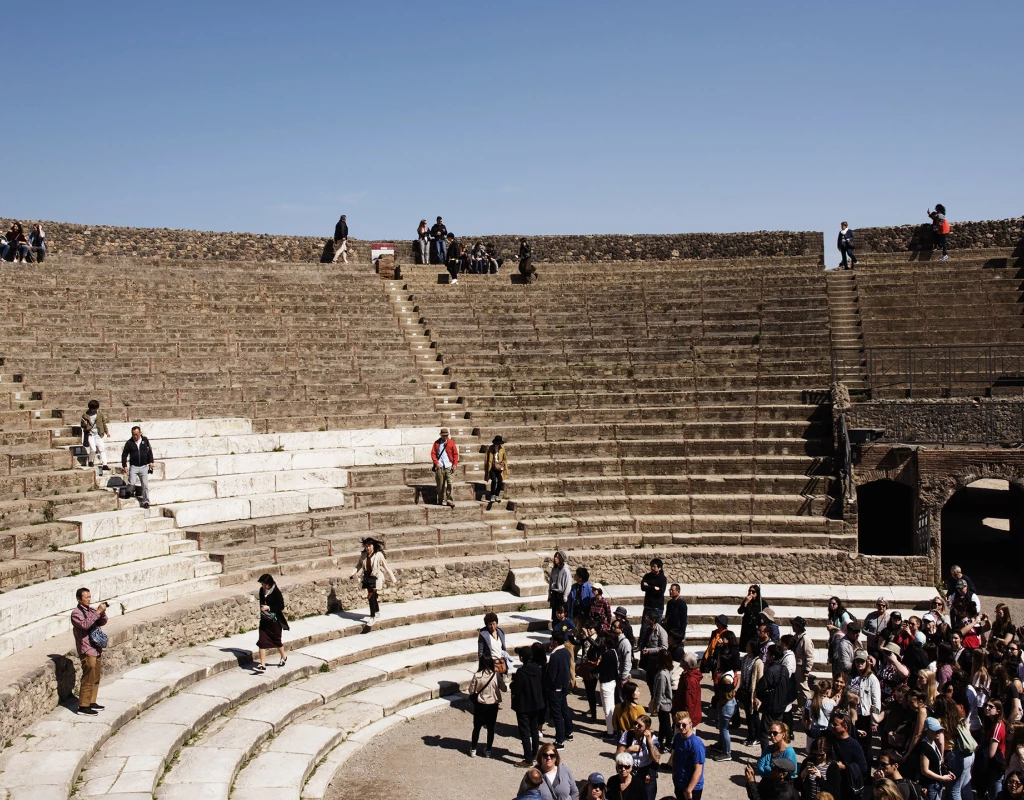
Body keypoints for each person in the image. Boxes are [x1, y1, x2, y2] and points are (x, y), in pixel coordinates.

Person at [71, 587, 107, 715]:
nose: (88, 599)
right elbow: (85, 625)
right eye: (86, 597)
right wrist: (97, 612)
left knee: (95, 676)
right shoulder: (76, 613)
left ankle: (91, 701)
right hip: (86, 648)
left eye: (89, 597)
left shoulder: (91, 610)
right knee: (88, 676)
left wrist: (102, 613)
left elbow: (102, 622)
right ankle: (83, 706)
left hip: (96, 648)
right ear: (79, 599)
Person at [511, 646, 546, 766]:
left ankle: (528, 759)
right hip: (536, 704)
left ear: (521, 658)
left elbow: (517, 689)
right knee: (534, 729)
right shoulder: (537, 668)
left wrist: (512, 685)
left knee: (525, 732)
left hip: (524, 705)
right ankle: (535, 753)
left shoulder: (521, 672)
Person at [348, 536, 396, 624]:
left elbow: (387, 567)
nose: (368, 548)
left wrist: (393, 578)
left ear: (373, 546)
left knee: (371, 596)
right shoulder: (363, 555)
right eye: (366, 546)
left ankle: (372, 616)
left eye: (369, 546)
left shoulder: (379, 555)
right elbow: (359, 565)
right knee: (373, 596)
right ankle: (377, 612)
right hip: (367, 578)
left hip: (376, 578)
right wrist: (353, 572)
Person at [615, 715, 661, 800]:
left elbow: (656, 759)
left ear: (646, 728)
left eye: (639, 725)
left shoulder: (652, 738)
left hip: (646, 773)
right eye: (635, 723)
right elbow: (618, 757)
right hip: (630, 771)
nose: (636, 726)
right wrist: (629, 750)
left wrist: (649, 741)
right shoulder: (628, 735)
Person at [468, 655, 506, 757]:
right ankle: (488, 750)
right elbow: (504, 689)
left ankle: (473, 749)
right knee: (490, 728)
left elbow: (471, 691)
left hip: (480, 705)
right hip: (493, 705)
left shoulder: (477, 675)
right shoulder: (496, 675)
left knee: (476, 727)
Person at [828, 712, 869, 800]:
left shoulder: (854, 745)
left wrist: (845, 767)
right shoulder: (831, 737)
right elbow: (814, 733)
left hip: (847, 787)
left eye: (835, 725)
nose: (832, 726)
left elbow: (863, 768)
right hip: (833, 783)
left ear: (845, 728)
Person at [757, 645, 792, 751]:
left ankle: (766, 754)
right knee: (779, 730)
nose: (766, 655)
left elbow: (761, 687)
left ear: (772, 656)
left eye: (768, 654)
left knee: (764, 731)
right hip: (782, 705)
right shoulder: (784, 669)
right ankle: (779, 751)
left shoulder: (771, 671)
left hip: (771, 705)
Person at [254, 574, 289, 672]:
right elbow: (261, 603)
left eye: (265, 584)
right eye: (262, 584)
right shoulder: (261, 590)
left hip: (275, 620)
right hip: (265, 620)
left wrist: (269, 608)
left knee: (276, 640)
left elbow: (281, 606)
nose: (263, 586)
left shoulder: (276, 592)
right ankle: (262, 664)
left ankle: (283, 656)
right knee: (262, 641)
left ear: (269, 584)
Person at [546, 631, 574, 748]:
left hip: (555, 687)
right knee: (564, 709)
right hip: (564, 685)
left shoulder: (555, 655)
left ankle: (559, 740)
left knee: (557, 714)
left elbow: (551, 674)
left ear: (555, 642)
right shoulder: (566, 652)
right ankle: (569, 732)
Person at [914, 717, 955, 798]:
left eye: (939, 730)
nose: (938, 733)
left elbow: (936, 764)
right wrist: (942, 778)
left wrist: (946, 772)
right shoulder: (925, 747)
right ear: (927, 730)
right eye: (936, 730)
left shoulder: (933, 743)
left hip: (936, 784)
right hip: (930, 785)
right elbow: (924, 770)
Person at [672, 711, 706, 800]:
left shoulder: (696, 745)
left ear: (690, 724)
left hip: (692, 787)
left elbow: (698, 770)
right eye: (678, 725)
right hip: (679, 783)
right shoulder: (677, 737)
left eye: (684, 725)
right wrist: (674, 774)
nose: (681, 727)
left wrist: (689, 790)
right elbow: (675, 756)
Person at [121, 425, 154, 509]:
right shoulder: (129, 443)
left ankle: (146, 501)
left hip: (143, 467)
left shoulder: (145, 440)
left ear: (140, 433)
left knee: (145, 484)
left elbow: (149, 451)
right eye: (133, 434)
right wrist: (124, 465)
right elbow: (124, 455)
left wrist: (151, 462)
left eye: (136, 434)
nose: (135, 436)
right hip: (134, 466)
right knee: (131, 483)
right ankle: (128, 491)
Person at [637, 609, 669, 696]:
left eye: (648, 618)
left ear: (653, 620)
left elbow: (664, 647)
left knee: (656, 683)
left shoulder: (661, 632)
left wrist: (650, 650)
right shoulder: (648, 629)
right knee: (650, 682)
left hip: (656, 661)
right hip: (648, 661)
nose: (646, 619)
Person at [740, 638, 765, 747]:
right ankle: (750, 735)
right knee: (748, 715)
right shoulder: (745, 658)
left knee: (754, 715)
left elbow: (759, 679)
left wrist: (758, 696)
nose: (746, 647)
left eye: (748, 645)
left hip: (753, 692)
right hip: (745, 690)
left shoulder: (758, 662)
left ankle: (757, 736)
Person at [710, 673, 739, 762]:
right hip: (729, 705)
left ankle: (727, 753)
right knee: (722, 727)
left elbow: (727, 695)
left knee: (724, 729)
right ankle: (721, 744)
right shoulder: (729, 675)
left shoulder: (726, 678)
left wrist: (719, 702)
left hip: (726, 706)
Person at [597, 631, 621, 735]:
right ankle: (613, 729)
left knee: (608, 709)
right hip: (612, 681)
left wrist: (592, 671)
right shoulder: (614, 652)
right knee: (611, 707)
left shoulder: (607, 654)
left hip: (606, 683)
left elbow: (601, 667)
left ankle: (610, 732)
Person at [649, 650, 674, 748]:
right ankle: (661, 739)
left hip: (663, 703)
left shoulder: (661, 675)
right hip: (666, 702)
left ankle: (668, 743)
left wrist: (657, 705)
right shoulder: (667, 671)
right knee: (663, 723)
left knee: (665, 724)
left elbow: (660, 692)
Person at [804, 678, 836, 752]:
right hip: (825, 732)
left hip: (812, 731)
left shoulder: (809, 702)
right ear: (828, 691)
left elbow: (804, 718)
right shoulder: (831, 703)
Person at [430, 427, 459, 508]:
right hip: (440, 467)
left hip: (449, 466)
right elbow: (433, 454)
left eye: (446, 435)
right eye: (443, 435)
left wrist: (455, 464)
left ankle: (449, 500)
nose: (444, 437)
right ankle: (440, 499)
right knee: (440, 485)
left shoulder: (451, 443)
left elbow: (455, 454)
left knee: (450, 483)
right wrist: (436, 463)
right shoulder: (436, 443)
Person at [674, 652, 703, 728]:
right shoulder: (686, 676)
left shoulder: (690, 680)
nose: (680, 661)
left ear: (687, 663)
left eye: (682, 660)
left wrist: (686, 721)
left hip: (686, 720)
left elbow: (689, 703)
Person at [80, 400, 111, 472]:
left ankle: (105, 464)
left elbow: (104, 424)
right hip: (90, 434)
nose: (95, 410)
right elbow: (82, 425)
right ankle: (90, 461)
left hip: (98, 434)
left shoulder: (100, 414)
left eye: (96, 409)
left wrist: (107, 432)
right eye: (94, 409)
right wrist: (84, 424)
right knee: (93, 449)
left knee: (102, 449)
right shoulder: (85, 415)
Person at [792, 617, 816, 708]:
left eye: (794, 625)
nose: (793, 627)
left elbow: (809, 656)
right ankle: (801, 707)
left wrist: (807, 669)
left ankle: (809, 708)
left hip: (801, 667)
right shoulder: (796, 637)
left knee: (804, 689)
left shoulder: (805, 639)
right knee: (798, 689)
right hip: (796, 666)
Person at [482, 434, 508, 503]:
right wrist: (487, 469)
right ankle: (492, 495)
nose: (498, 445)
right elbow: (487, 459)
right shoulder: (490, 448)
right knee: (493, 480)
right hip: (492, 467)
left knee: (500, 481)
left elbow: (505, 459)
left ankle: (497, 494)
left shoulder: (502, 449)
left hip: (499, 468)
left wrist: (505, 467)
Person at [548, 551, 571, 625]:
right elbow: (551, 581)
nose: (555, 558)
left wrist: (565, 596)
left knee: (562, 612)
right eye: (555, 556)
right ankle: (556, 629)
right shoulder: (554, 569)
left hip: (561, 594)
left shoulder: (565, 570)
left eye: (557, 557)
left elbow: (568, 584)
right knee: (555, 612)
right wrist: (549, 593)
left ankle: (563, 629)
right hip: (555, 593)